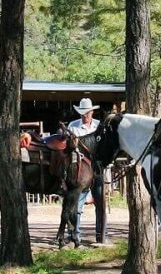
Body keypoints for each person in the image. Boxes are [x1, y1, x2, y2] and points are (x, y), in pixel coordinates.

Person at [65, 98, 104, 245]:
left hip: (97, 169)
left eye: (87, 113)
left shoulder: (99, 126)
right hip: (80, 171)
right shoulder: (73, 126)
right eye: (82, 113)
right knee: (77, 204)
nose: (84, 116)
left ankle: (100, 235)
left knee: (100, 203)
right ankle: (75, 234)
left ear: (92, 112)